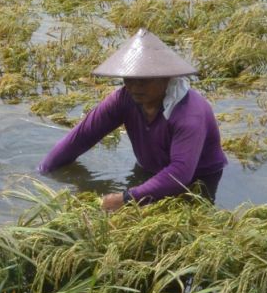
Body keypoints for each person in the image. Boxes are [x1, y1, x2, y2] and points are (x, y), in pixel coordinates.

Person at [37, 29, 227, 212]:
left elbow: (180, 174)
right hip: (149, 171)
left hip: (197, 181)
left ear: (166, 78)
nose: (135, 87)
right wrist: (44, 172)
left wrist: (125, 198)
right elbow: (82, 137)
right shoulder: (124, 99)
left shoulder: (189, 114)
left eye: (143, 81)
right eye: (129, 79)